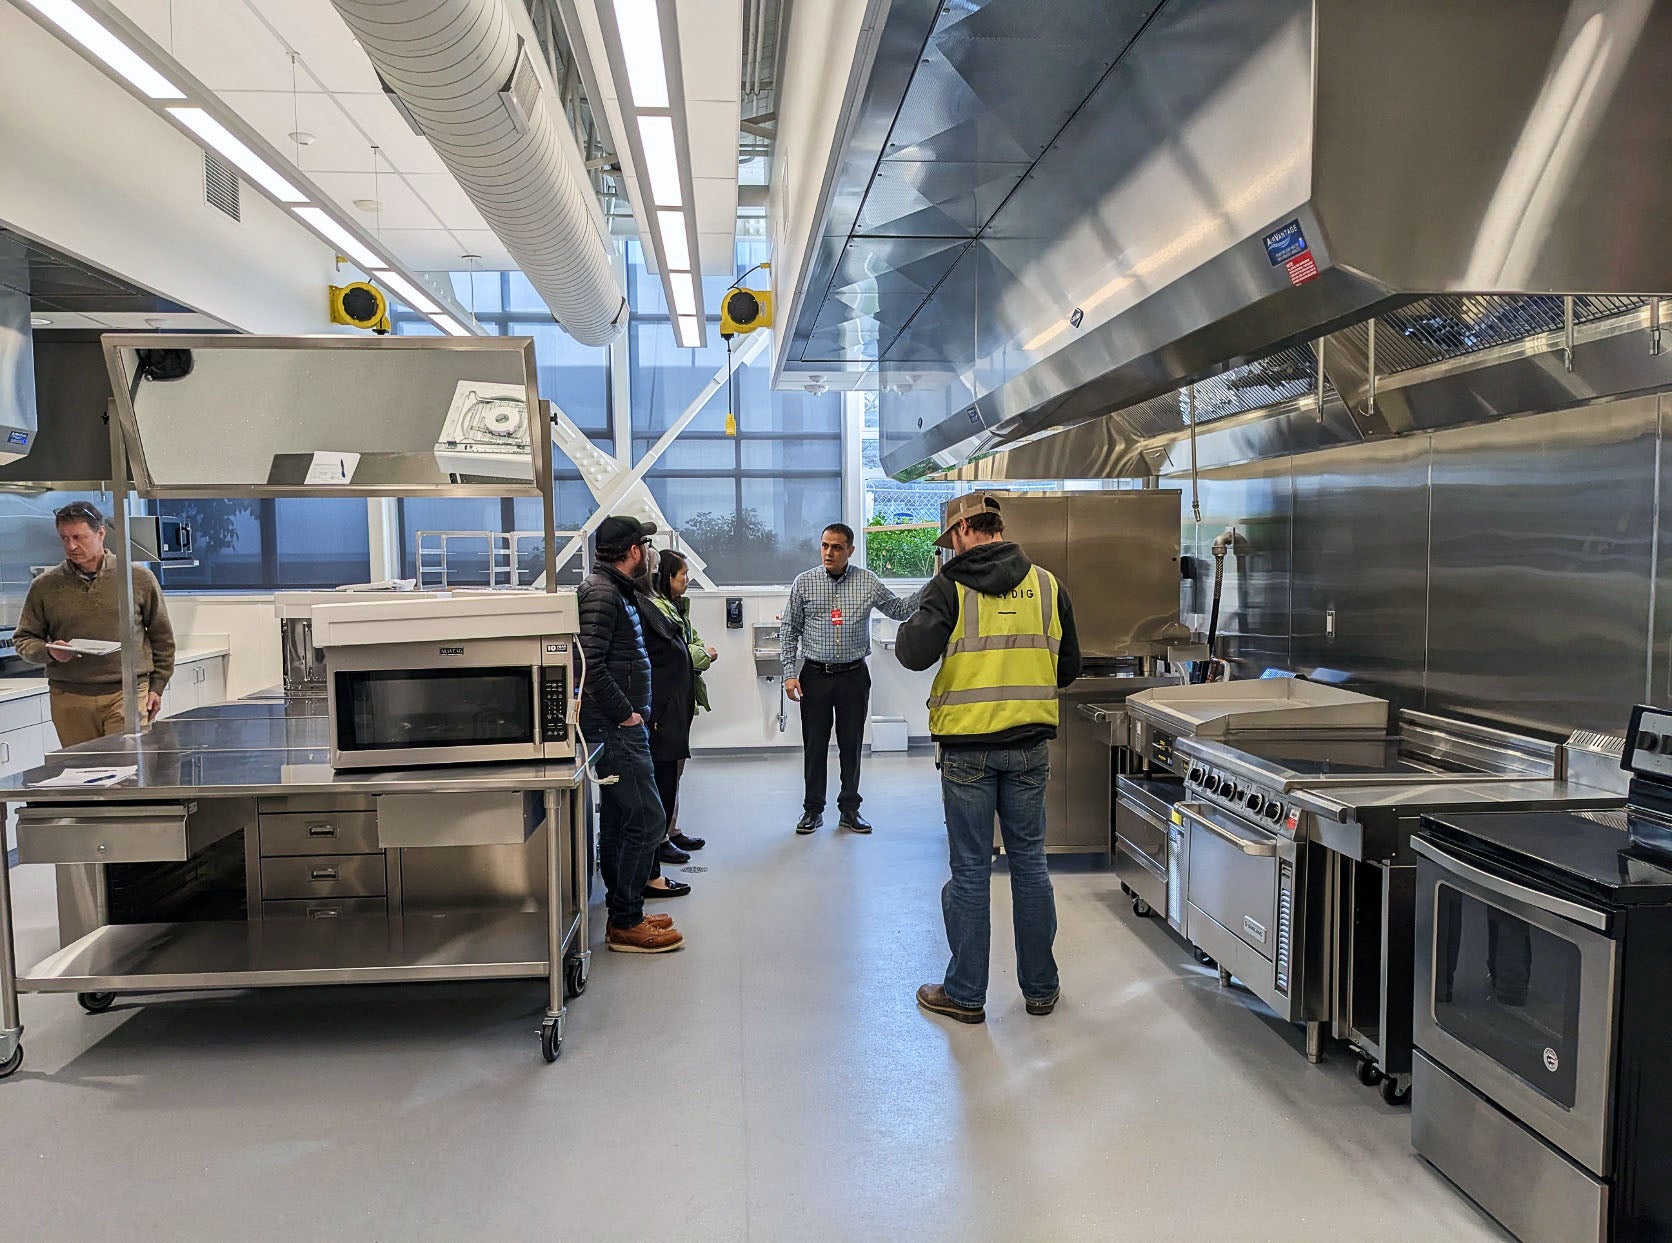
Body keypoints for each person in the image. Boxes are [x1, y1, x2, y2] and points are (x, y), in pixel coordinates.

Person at [894, 494, 1082, 1024]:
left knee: (972, 870)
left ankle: (965, 994)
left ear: (961, 533)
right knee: (1030, 865)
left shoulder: (950, 585)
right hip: (1028, 749)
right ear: (997, 528)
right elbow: (1067, 668)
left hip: (968, 752)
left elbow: (911, 654)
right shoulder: (1048, 586)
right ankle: (1041, 989)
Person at [577, 515, 684, 954]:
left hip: (618, 723)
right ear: (635, 552)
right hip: (614, 726)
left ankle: (627, 912)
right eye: (644, 547)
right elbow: (590, 663)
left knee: (623, 818)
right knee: (648, 817)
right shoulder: (603, 594)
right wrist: (626, 715)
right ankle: (626, 922)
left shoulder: (613, 591)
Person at [780, 523, 922, 836]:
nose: (829, 553)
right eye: (825, 546)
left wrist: (931, 588)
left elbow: (898, 610)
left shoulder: (867, 581)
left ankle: (849, 810)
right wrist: (789, 674)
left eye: (837, 547)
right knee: (815, 746)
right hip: (815, 675)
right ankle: (812, 810)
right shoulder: (804, 583)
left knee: (851, 745)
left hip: (853, 675)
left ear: (850, 550)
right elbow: (789, 630)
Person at [14, 500, 176, 747]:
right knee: (81, 773)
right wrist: (49, 652)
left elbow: (162, 638)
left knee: (129, 769)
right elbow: (24, 639)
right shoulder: (45, 586)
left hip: (127, 692)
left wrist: (158, 686)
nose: (71, 546)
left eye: (79, 537)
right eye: (64, 538)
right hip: (70, 696)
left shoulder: (137, 579)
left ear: (100, 533)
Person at [646, 549, 716, 865]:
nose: (687, 579)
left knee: (675, 770)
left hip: (683, 696)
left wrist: (698, 653)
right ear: (665, 576)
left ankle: (671, 830)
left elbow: (694, 646)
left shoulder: (677, 609)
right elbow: (689, 654)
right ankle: (660, 837)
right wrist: (701, 655)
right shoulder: (657, 610)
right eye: (682, 574)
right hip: (666, 701)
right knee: (665, 771)